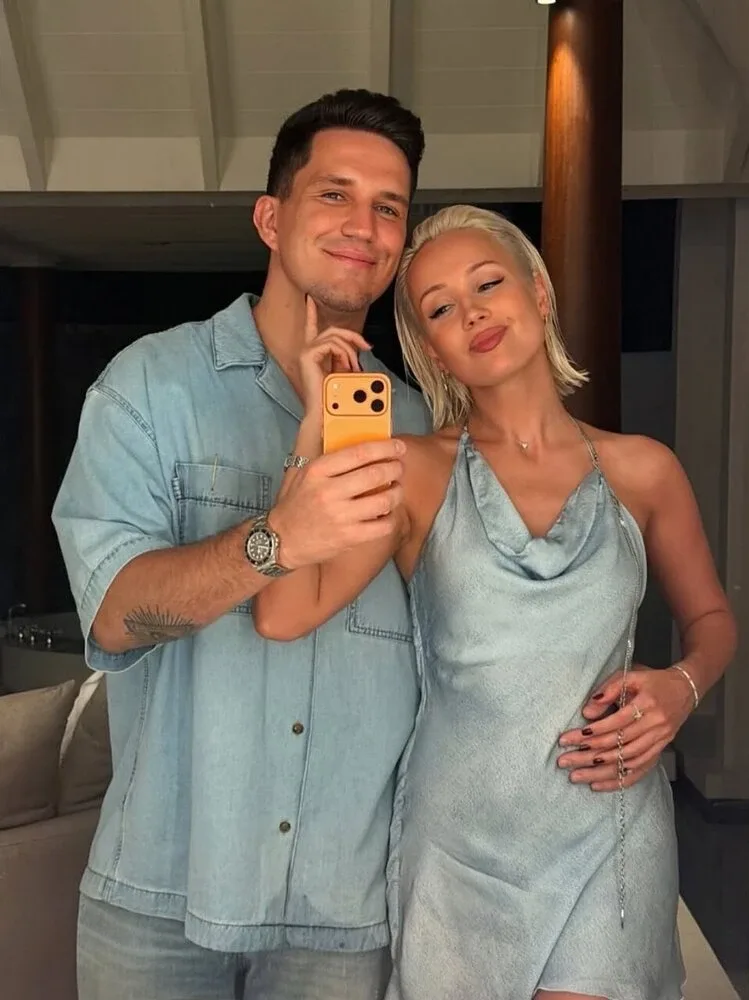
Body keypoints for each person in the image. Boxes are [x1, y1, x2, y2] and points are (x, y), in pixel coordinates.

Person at [253, 205, 737, 1000]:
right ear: (430, 348)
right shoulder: (409, 470)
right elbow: (282, 613)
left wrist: (679, 688)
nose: (472, 313)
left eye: (487, 284)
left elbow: (712, 621)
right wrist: (314, 430)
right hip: (460, 846)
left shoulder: (644, 470)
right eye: (441, 308)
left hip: (608, 822)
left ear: (537, 293)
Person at [52, 89, 431, 1000]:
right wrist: (276, 540)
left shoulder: (418, 425)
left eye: (388, 207)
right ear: (270, 217)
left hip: (344, 908)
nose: (364, 226)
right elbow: (112, 615)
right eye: (334, 194)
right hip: (161, 895)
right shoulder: (151, 385)